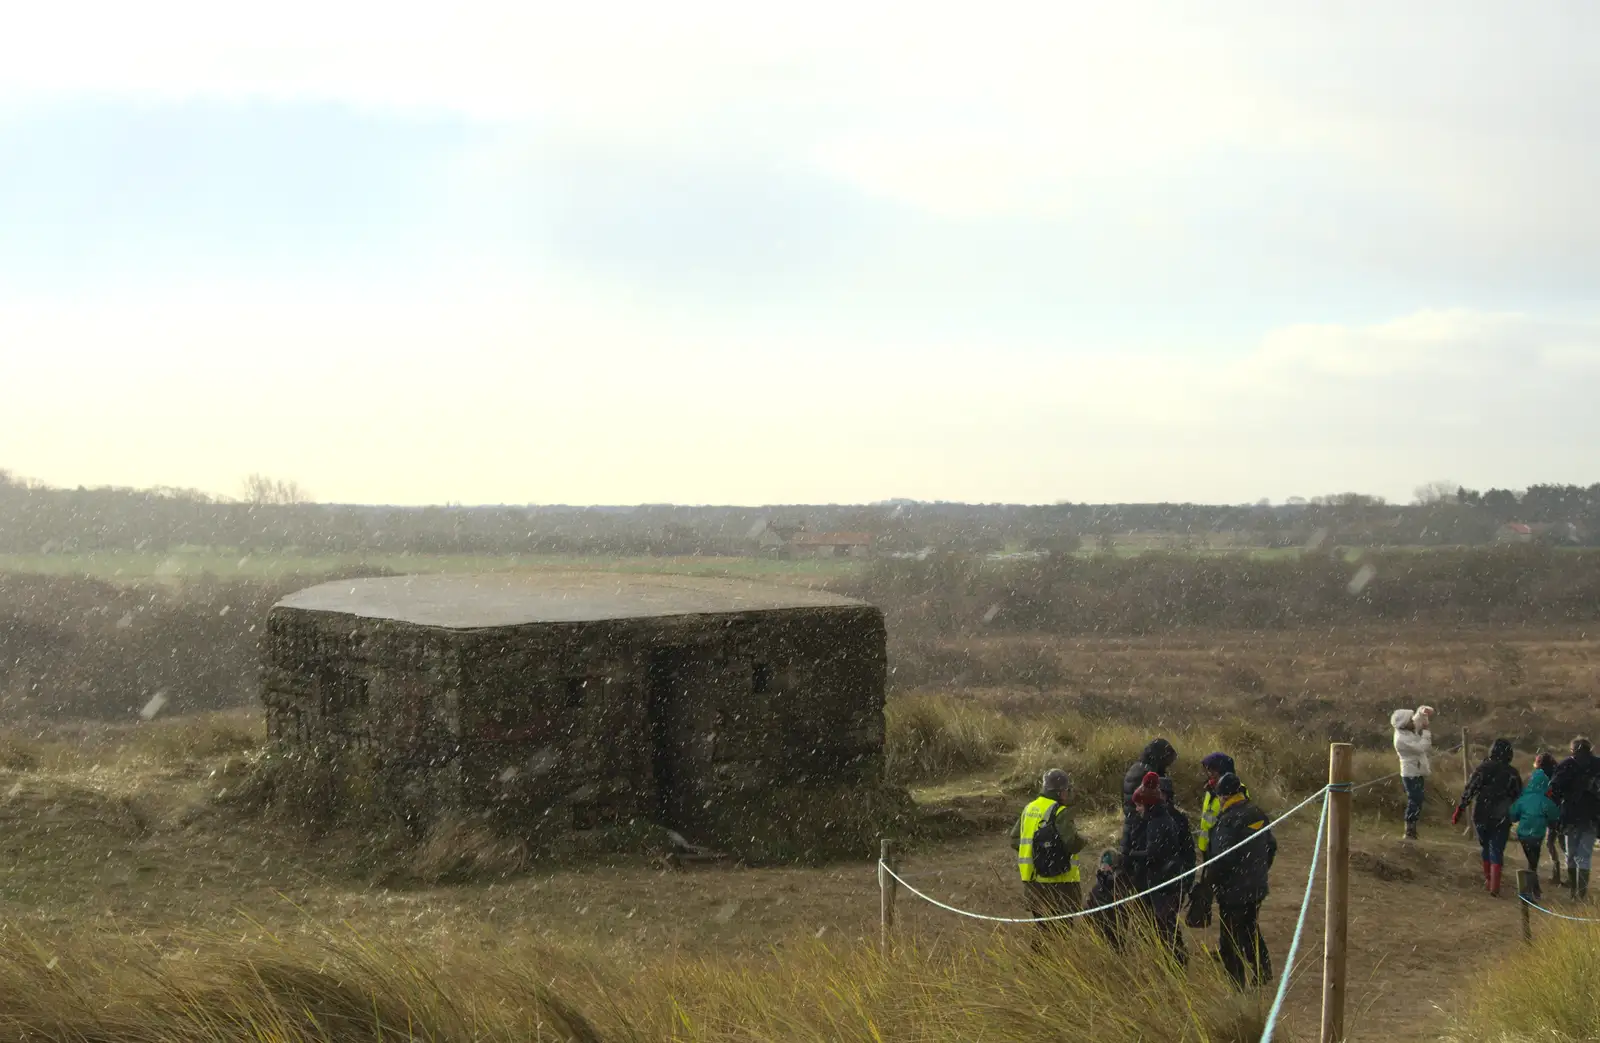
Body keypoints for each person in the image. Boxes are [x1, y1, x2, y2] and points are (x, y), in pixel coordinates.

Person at [1191, 772, 1276, 989]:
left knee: (1229, 941)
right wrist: (1259, 870)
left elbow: (1221, 860)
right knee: (1249, 929)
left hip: (1234, 892)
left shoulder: (1227, 821)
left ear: (1223, 796)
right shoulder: (1256, 813)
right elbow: (1271, 846)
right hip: (1256, 887)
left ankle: (1237, 987)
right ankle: (1263, 969)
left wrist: (1208, 886)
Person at [1121, 772, 1192, 964]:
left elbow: (1154, 854)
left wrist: (1129, 856)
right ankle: (1165, 963)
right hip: (1159, 881)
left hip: (1164, 883)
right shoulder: (1155, 819)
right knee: (1158, 926)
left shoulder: (1158, 822)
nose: (1136, 809)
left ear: (1147, 804)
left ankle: (1177, 963)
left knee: (1165, 928)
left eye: (1139, 805)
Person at [1011, 767, 1086, 938]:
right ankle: (1049, 964)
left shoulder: (1029, 808)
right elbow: (1073, 844)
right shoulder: (1060, 811)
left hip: (1032, 883)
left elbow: (1014, 839)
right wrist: (1084, 840)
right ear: (1061, 792)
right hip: (1059, 883)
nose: (1069, 794)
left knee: (1042, 930)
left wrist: (1037, 854)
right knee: (1062, 933)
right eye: (1068, 790)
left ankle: (1035, 964)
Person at [1453, 738, 1523, 898]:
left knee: (1485, 846)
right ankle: (1494, 885)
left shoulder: (1483, 768)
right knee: (1497, 849)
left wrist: (1460, 808)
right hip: (1502, 815)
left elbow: (1470, 789)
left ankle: (1488, 879)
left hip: (1481, 813)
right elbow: (1518, 795)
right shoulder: (1513, 773)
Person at [1547, 737, 1600, 901]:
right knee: (1584, 856)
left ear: (1573, 750)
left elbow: (1552, 789)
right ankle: (1581, 895)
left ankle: (1573, 892)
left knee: (1571, 854)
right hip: (1592, 816)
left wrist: (1560, 803)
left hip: (1570, 815)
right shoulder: (1598, 764)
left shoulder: (1566, 765)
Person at [1510, 760, 1561, 900]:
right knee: (1533, 862)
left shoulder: (1523, 799)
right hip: (1537, 835)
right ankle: (1530, 893)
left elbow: (1513, 815)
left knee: (1531, 861)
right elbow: (1555, 815)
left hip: (1523, 835)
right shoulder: (1545, 801)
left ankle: (1533, 890)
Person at [1390, 705, 1435, 841]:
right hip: (1411, 773)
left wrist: (1423, 711)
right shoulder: (1401, 739)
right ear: (1404, 723)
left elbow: (1419, 717)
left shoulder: (1406, 729)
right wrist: (1426, 732)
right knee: (1415, 799)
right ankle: (1409, 830)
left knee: (1417, 799)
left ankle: (1411, 830)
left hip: (1417, 770)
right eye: (1410, 720)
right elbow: (1422, 748)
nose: (1413, 721)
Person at [1123, 738, 1178, 816]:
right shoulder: (1150, 775)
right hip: (1144, 822)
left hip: (1131, 820)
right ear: (1162, 757)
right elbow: (1158, 806)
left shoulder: (1135, 768)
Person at [1535, 751, 1566, 887]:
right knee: (1564, 845)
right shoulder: (1559, 773)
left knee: (1550, 843)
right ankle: (1573, 875)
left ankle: (1556, 874)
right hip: (1562, 811)